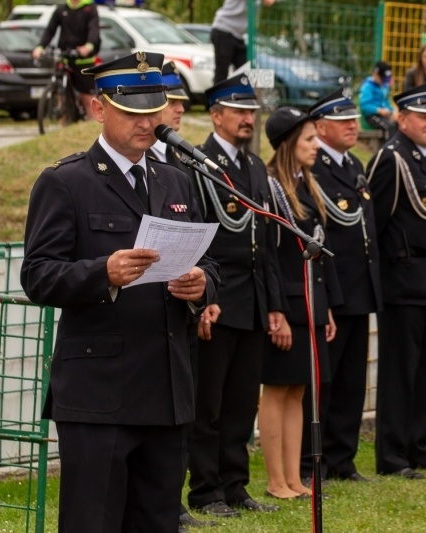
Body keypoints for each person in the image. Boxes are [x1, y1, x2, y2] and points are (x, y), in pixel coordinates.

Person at [20, 51, 219, 533]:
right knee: (94, 522)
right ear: (98, 108)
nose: (146, 121)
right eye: (132, 110)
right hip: (99, 392)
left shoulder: (176, 179)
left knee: (157, 522)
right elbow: (38, 275)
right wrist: (101, 272)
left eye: (153, 108)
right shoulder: (65, 182)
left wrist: (202, 284)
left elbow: (208, 258)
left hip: (166, 385)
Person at [185, 74, 284, 518]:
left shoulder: (254, 167)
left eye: (252, 111)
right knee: (209, 404)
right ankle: (207, 491)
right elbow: (197, 237)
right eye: (240, 111)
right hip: (216, 299)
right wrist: (201, 299)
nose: (249, 119)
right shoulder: (198, 162)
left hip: (252, 302)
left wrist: (275, 306)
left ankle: (236, 485)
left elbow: (264, 245)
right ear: (216, 114)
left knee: (242, 405)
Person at [366, 83, 426, 479]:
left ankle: (417, 445)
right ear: (401, 119)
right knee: (399, 371)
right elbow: (378, 225)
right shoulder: (392, 159)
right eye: (423, 117)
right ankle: (392, 455)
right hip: (403, 282)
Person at [259, 106, 342, 499]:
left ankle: (294, 478)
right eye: (309, 139)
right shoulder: (271, 185)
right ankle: (275, 480)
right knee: (277, 389)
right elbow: (269, 255)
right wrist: (277, 312)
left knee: (299, 391)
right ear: (289, 143)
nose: (316, 145)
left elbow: (323, 250)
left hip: (310, 302)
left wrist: (327, 307)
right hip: (288, 305)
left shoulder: (306, 183)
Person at [146, 61, 214, 532]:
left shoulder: (182, 168)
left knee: (181, 416)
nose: (175, 114)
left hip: (179, 312)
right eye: (169, 103)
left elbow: (206, 246)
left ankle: (173, 502)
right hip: (132, 324)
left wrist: (204, 288)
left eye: (180, 106)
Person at [303, 89, 383, 483]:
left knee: (353, 379)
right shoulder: (314, 168)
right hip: (333, 289)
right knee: (325, 381)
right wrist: (328, 296)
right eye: (343, 120)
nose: (354, 125)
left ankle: (343, 458)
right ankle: (314, 460)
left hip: (360, 288)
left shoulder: (353, 165)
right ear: (319, 127)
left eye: (354, 119)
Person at [31, 0, 101, 118]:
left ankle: (92, 126)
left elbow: (93, 30)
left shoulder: (90, 8)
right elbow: (50, 30)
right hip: (65, 56)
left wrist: (89, 46)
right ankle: (63, 126)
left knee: (87, 97)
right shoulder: (61, 9)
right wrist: (40, 46)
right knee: (61, 96)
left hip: (83, 59)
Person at [210, 0, 276, 84]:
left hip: (238, 36)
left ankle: (241, 95)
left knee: (245, 72)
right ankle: (217, 96)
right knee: (221, 73)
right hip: (223, 30)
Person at [359, 61, 398, 141]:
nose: (384, 81)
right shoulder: (368, 86)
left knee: (397, 123)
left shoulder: (384, 86)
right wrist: (379, 110)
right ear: (375, 74)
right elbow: (364, 105)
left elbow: (386, 102)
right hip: (371, 115)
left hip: (384, 115)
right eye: (382, 78)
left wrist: (392, 111)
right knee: (388, 127)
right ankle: (388, 150)